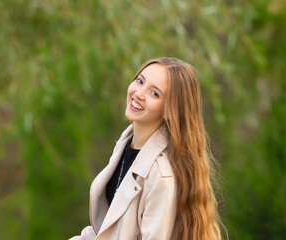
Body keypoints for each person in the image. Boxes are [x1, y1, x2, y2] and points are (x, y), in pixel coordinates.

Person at [70, 57, 223, 240]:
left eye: (154, 93)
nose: (139, 93)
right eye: (140, 81)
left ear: (169, 109)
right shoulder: (127, 144)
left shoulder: (160, 176)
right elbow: (103, 231)